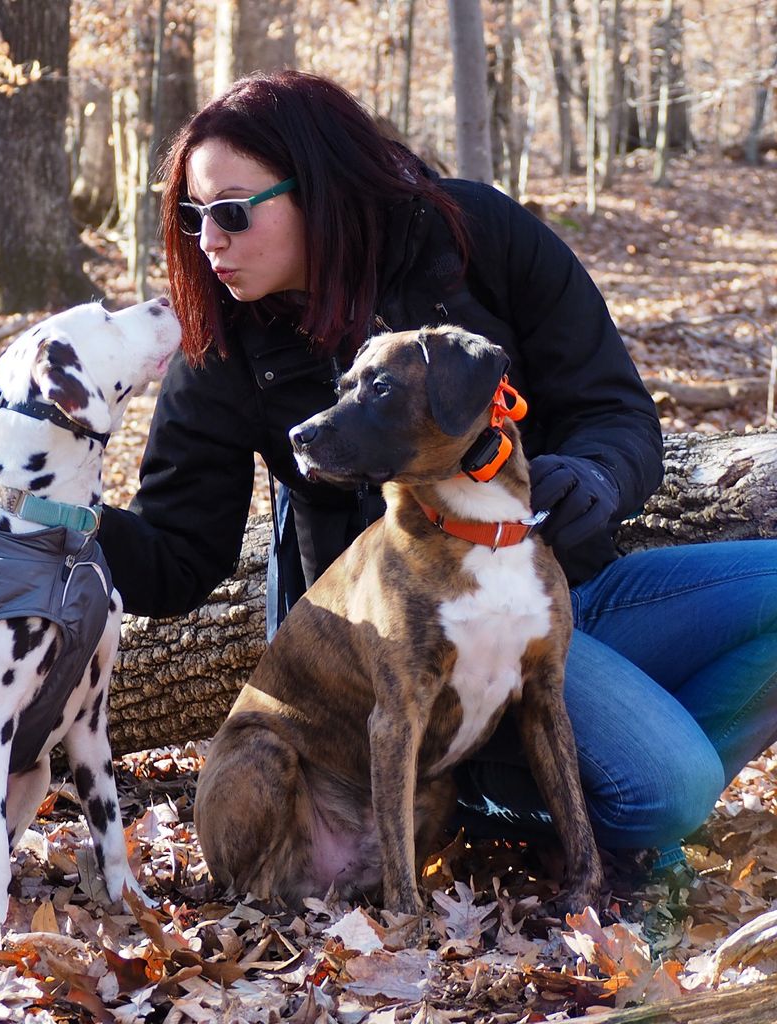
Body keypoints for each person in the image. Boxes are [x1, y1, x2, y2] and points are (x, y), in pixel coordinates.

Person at [97, 70, 777, 876]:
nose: (209, 240)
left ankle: (579, 804)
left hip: (567, 596)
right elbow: (178, 559)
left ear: (318, 189)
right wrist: (55, 510)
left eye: (232, 212)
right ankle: (530, 794)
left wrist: (596, 475)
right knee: (671, 787)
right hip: (418, 662)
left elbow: (616, 409)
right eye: (193, 215)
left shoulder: (473, 233)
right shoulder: (226, 347)